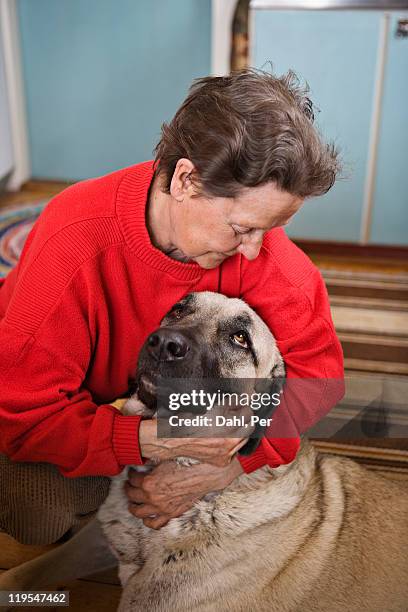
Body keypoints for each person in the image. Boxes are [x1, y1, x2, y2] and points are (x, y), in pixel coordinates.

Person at [0, 68, 344, 544]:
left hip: (174, 407)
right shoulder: (72, 239)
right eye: (242, 227)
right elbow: (23, 413)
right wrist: (146, 439)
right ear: (185, 180)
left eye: (270, 228)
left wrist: (229, 464)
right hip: (78, 405)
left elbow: (318, 378)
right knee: (38, 514)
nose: (253, 250)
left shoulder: (269, 257)